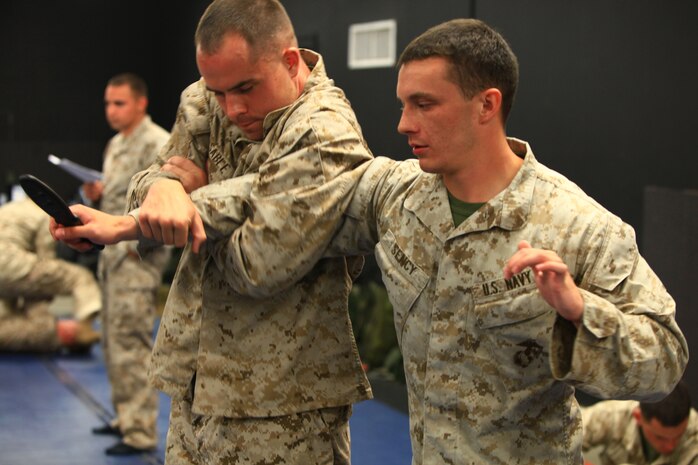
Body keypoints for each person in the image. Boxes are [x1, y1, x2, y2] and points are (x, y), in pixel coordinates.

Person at [52, 16, 688, 465]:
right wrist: (141, 215)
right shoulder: (396, 195)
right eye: (401, 102)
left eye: (424, 104)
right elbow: (276, 199)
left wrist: (581, 314)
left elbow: (664, 358)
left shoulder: (574, 224)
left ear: (486, 105)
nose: (403, 123)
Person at [53, 1, 373, 463]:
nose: (233, 108)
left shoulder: (323, 130)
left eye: (245, 88)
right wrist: (165, 186)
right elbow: (145, 184)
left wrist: (183, 203)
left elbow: (257, 265)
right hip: (196, 384)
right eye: (220, 92)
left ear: (289, 62)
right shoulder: (207, 97)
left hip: (283, 406)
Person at [81, 73, 171, 456]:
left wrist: (140, 252)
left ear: (141, 103)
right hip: (111, 260)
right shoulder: (116, 144)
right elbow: (118, 196)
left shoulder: (160, 142)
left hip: (136, 258)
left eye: (119, 103)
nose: (111, 111)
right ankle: (124, 416)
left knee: (132, 344)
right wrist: (96, 193)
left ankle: (140, 432)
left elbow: (163, 203)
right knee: (113, 342)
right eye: (107, 103)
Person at [0, 197, 101, 352]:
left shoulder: (9, 208)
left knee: (13, 311)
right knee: (80, 277)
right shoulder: (44, 213)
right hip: (15, 264)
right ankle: (84, 327)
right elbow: (46, 261)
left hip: (11, 270)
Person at [582, 380, 698, 464]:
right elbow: (565, 437)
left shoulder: (695, 431)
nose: (670, 446)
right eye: (660, 437)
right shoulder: (613, 415)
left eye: (678, 436)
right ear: (638, 417)